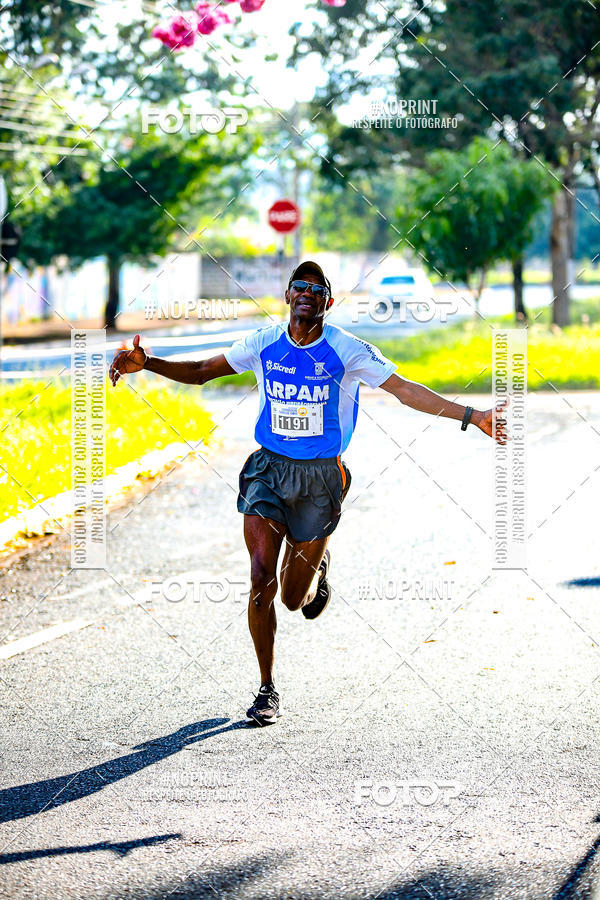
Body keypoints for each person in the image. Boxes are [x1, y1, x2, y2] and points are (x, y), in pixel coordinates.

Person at [109, 260, 506, 726]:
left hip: (320, 479)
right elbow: (201, 370)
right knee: (261, 578)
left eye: (318, 290)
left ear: (328, 303)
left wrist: (472, 414)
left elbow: (403, 390)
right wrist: (147, 363)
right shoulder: (263, 343)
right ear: (288, 296)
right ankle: (266, 688)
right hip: (268, 471)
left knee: (293, 600)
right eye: (300, 286)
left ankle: (316, 567)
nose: (307, 293)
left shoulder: (347, 349)